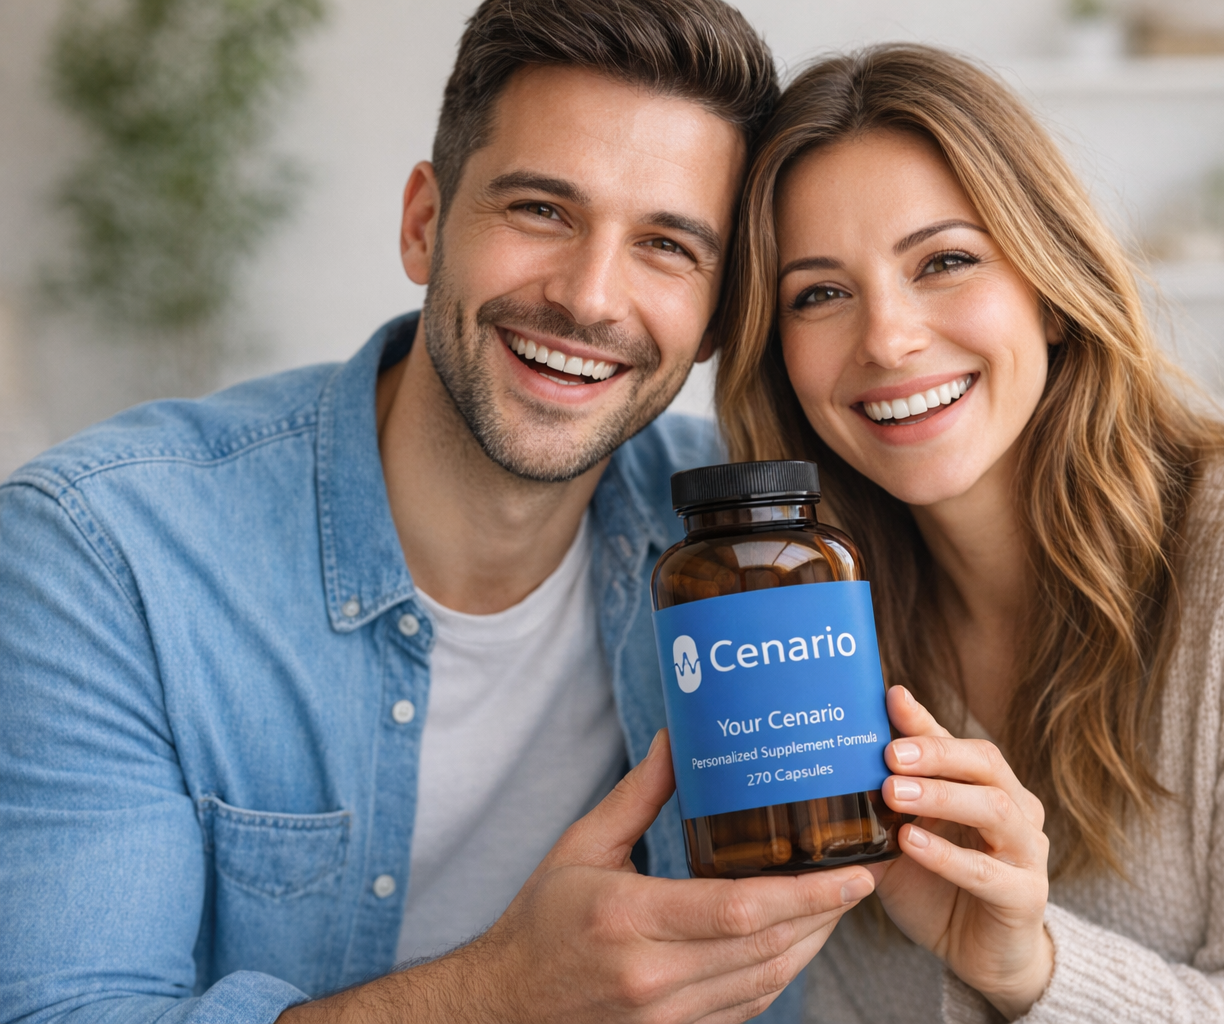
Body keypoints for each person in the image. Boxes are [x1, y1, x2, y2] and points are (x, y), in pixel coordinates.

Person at [0, 4, 880, 1022]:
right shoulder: (103, 554)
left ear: (722, 314)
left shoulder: (765, 559)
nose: (591, 298)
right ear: (425, 223)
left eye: (667, 246)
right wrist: (504, 995)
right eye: (541, 210)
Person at [713, 44, 1224, 1023]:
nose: (887, 337)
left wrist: (1033, 968)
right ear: (778, 353)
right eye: (819, 293)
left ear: (1051, 292)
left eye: (945, 261)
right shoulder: (802, 634)